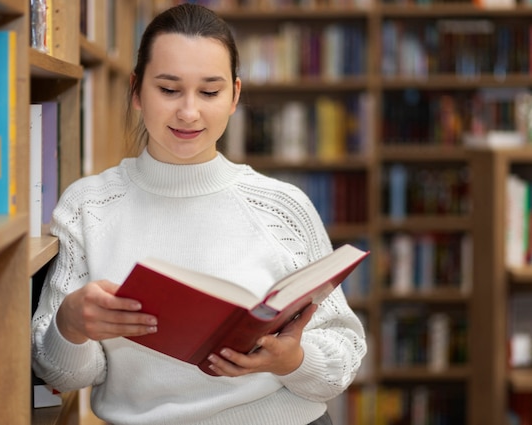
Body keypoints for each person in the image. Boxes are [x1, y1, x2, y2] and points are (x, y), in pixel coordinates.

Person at [31, 3, 367, 425]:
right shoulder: (88, 205)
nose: (189, 112)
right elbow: (59, 373)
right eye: (169, 90)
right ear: (136, 91)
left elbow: (345, 355)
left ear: (234, 96)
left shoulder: (284, 206)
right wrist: (70, 326)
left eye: (209, 92)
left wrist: (293, 360)